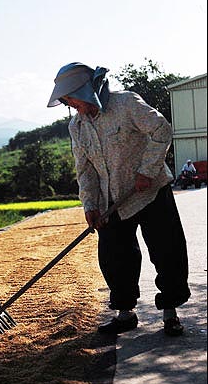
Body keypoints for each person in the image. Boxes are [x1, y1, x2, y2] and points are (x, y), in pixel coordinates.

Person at [47, 62, 191, 336]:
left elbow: (161, 130)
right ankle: (125, 314)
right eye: (67, 103)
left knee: (167, 251)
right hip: (111, 200)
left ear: (87, 90)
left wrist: (147, 170)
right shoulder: (77, 126)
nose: (72, 107)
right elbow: (85, 169)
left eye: (72, 100)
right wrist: (90, 205)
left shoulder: (126, 104)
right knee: (115, 257)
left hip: (150, 192)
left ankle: (170, 312)